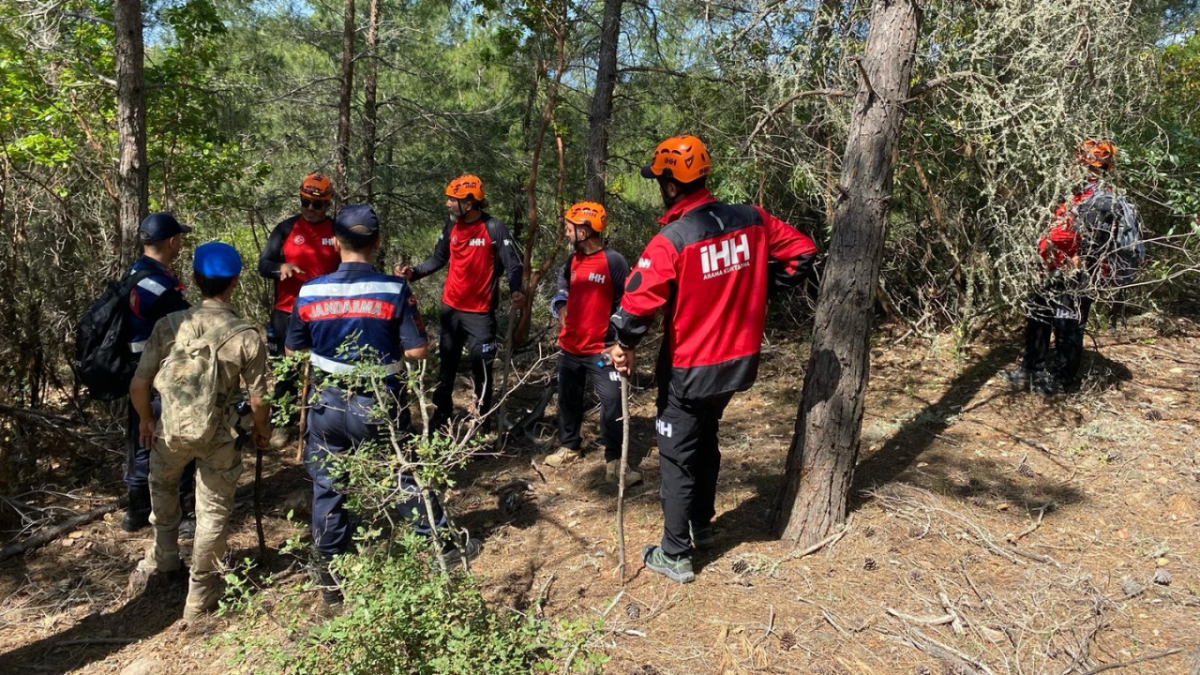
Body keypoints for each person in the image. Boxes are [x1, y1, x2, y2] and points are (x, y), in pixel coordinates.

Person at [607, 136, 818, 583]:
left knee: (676, 452)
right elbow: (803, 252)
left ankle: (675, 553)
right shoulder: (751, 218)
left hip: (690, 364)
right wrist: (759, 285)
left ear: (670, 184)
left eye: (660, 179)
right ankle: (701, 525)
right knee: (705, 436)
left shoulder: (674, 238)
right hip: (738, 363)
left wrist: (623, 344)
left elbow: (637, 305)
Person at [287, 204, 481, 605]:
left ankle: (330, 577)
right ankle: (440, 547)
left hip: (325, 406)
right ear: (376, 242)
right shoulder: (393, 290)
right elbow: (417, 351)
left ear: (336, 242)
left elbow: (293, 347)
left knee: (328, 487)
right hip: (376, 405)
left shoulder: (310, 291)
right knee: (404, 475)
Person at [129, 242, 271, 620]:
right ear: (236, 282)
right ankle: (200, 595)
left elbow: (139, 385)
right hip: (219, 436)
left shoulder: (169, 325)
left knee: (162, 487)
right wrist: (262, 432)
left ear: (193, 279)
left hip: (170, 431)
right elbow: (259, 400)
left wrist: (146, 420)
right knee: (213, 511)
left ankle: (166, 559)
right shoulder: (247, 335)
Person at [1005, 138, 1134, 395]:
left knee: (1068, 323)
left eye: (1082, 163)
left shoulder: (1103, 199)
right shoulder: (1074, 194)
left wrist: (1079, 266)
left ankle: (1062, 378)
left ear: (1095, 167)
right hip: (1051, 268)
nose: (1074, 167)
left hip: (1077, 274)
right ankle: (1032, 367)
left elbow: (1098, 241)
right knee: (1037, 314)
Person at [396, 175, 524, 432]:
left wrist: (517, 291)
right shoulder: (452, 226)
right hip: (451, 310)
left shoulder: (494, 227)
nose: (447, 204)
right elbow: (438, 258)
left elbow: (512, 264)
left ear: (468, 203)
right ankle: (442, 415)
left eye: (452, 200)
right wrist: (415, 272)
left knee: (482, 367)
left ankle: (483, 418)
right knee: (447, 366)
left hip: (481, 313)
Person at [544, 202, 640, 487]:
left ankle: (615, 462)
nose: (566, 232)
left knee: (612, 403)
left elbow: (630, 301)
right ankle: (570, 446)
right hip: (570, 348)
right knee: (568, 399)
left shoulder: (615, 262)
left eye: (570, 228)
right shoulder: (571, 261)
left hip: (603, 350)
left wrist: (622, 341)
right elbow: (562, 288)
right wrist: (560, 305)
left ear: (584, 232)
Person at [122, 212, 196, 532]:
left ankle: (137, 508)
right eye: (179, 238)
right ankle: (179, 512)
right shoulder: (159, 285)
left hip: (133, 370)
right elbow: (187, 326)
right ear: (171, 241)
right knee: (176, 439)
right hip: (157, 371)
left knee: (143, 434)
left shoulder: (134, 273)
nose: (180, 242)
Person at [258, 173, 341, 449]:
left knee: (324, 372)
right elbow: (263, 265)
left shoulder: (338, 231)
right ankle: (282, 423)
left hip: (326, 314)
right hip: (287, 311)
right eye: (305, 202)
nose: (310, 209)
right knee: (286, 372)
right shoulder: (285, 229)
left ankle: (321, 424)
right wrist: (279, 268)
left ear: (327, 204)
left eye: (317, 204)